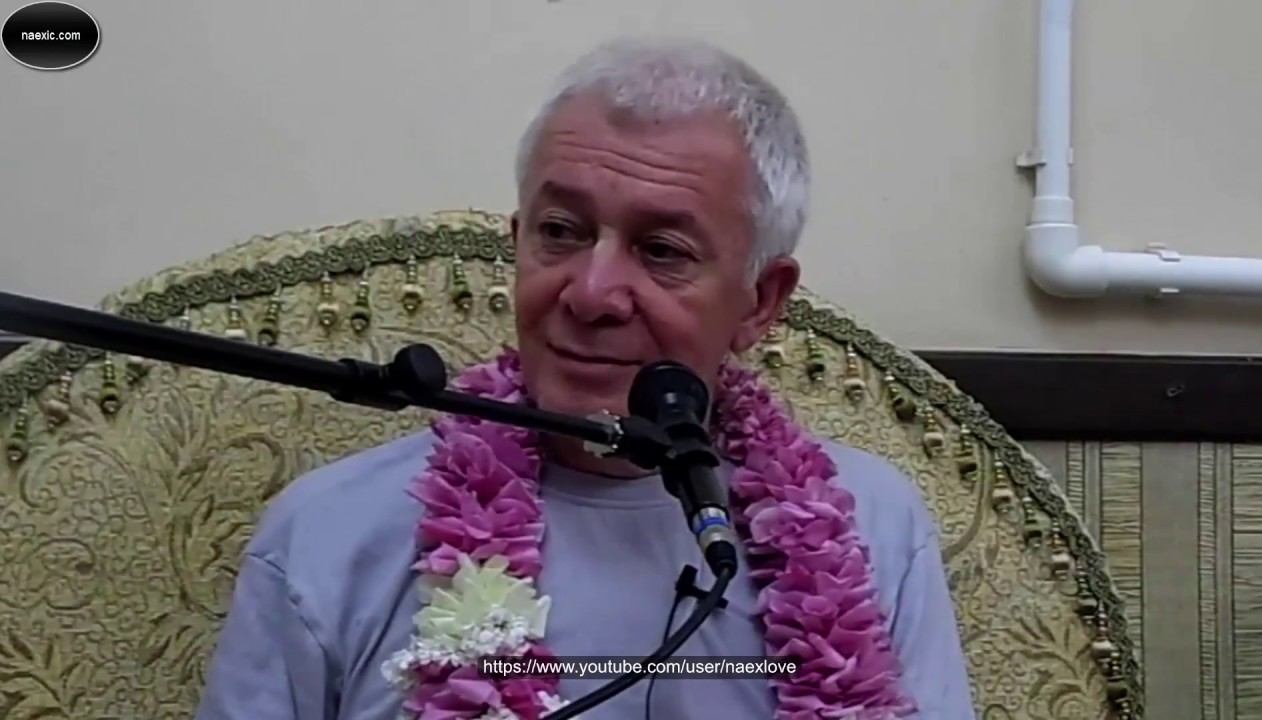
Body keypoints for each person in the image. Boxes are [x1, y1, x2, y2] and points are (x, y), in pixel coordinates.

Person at [195, 36, 974, 720]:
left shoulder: (874, 531)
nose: (592, 293)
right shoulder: (327, 536)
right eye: (561, 233)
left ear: (761, 301)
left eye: (662, 251)